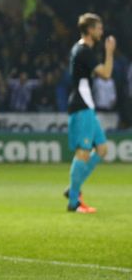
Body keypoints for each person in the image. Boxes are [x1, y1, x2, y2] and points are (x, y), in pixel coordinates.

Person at [64, 13, 116, 213]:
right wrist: (109, 52)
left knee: (101, 149)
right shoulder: (84, 51)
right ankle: (73, 202)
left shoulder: (81, 50)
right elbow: (106, 74)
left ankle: (73, 189)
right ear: (90, 30)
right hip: (81, 106)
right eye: (98, 28)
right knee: (83, 153)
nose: (101, 31)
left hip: (87, 106)